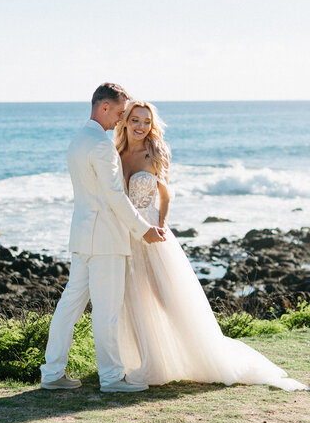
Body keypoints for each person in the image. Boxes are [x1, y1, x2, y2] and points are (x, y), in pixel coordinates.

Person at [114, 100, 309, 392]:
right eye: (136, 120)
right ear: (126, 121)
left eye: (146, 121)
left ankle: (196, 355)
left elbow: (166, 195)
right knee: (136, 299)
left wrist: (162, 224)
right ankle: (151, 361)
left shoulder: (155, 152)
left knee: (168, 297)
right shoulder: (117, 154)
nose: (141, 126)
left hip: (153, 231)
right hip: (127, 233)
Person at [40, 84, 166, 393]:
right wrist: (144, 230)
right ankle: (112, 378)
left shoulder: (78, 140)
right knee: (107, 311)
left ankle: (52, 372)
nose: (122, 119)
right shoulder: (101, 145)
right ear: (105, 107)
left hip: (83, 236)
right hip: (106, 239)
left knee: (69, 306)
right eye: (121, 113)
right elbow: (114, 197)